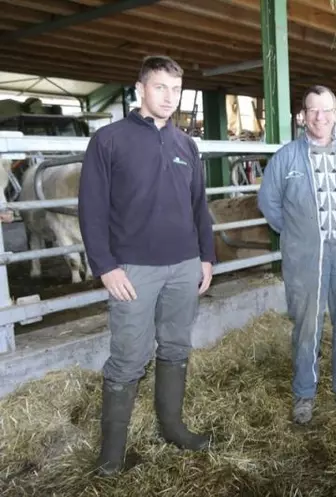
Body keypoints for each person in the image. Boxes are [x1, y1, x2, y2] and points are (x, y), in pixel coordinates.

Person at [78, 55, 216, 476]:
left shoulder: (185, 145)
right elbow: (92, 207)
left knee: (176, 347)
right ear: (140, 88)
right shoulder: (109, 141)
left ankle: (172, 427)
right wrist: (106, 266)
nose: (169, 97)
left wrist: (207, 257)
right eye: (161, 88)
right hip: (133, 270)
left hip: (184, 264)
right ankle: (111, 453)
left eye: (176, 89)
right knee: (128, 357)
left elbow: (199, 206)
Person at [258, 85, 336, 424]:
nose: (319, 117)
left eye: (326, 110)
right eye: (312, 110)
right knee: (307, 324)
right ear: (302, 116)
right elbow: (269, 203)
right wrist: (297, 233)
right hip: (306, 255)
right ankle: (304, 393)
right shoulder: (286, 158)